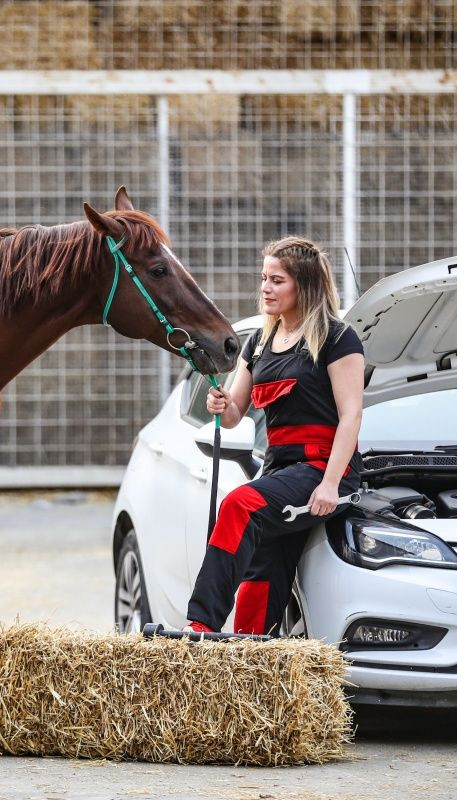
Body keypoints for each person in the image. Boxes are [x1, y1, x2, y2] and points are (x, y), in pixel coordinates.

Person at [185, 236, 365, 636]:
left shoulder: (338, 338)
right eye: (264, 278)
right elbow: (234, 413)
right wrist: (221, 405)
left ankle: (200, 623)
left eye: (277, 280)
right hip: (279, 469)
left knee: (239, 505)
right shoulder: (259, 342)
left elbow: (351, 415)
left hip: (321, 467)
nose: (265, 288)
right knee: (262, 571)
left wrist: (331, 484)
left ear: (303, 285)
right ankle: (253, 653)